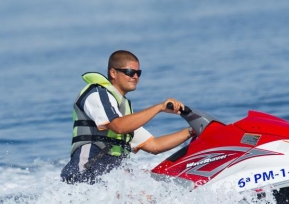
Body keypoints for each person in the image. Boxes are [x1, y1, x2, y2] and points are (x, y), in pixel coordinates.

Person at [60, 50, 194, 184]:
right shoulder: (96, 94)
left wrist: (191, 130)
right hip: (84, 175)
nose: (135, 76)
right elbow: (118, 126)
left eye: (138, 73)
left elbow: (154, 146)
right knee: (139, 193)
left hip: (107, 176)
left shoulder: (123, 111)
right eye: (130, 72)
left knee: (148, 188)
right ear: (113, 73)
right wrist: (160, 107)